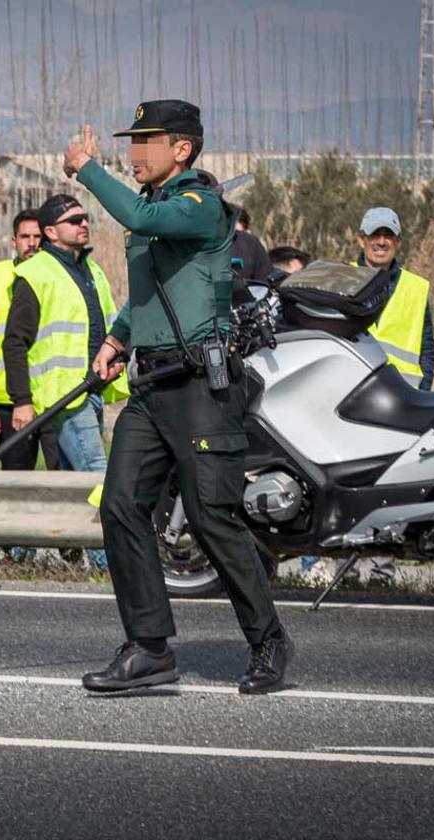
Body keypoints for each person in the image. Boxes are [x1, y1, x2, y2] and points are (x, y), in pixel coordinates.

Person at [64, 100, 291, 694]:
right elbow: (147, 295)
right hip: (150, 385)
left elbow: (138, 215)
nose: (135, 152)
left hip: (199, 387)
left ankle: (267, 639)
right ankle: (148, 648)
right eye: (132, 141)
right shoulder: (156, 212)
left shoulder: (199, 206)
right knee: (120, 507)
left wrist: (88, 171)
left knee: (213, 519)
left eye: (147, 140)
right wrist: (117, 337)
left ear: (182, 149)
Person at [2, 194, 129, 570]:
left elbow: (104, 325)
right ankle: (108, 562)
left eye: (85, 217)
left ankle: (24, 551)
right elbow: (14, 342)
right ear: (51, 231)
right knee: (96, 473)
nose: (83, 223)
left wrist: (116, 358)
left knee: (66, 479)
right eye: (74, 220)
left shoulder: (93, 271)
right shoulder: (35, 272)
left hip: (91, 391)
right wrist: (22, 400)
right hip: (62, 395)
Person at [0, 209, 60, 470]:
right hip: (8, 401)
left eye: (37, 237)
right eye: (24, 237)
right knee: (16, 481)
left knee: (64, 478)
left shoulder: (59, 277)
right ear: (13, 241)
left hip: (54, 398)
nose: (31, 243)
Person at [354, 207, 434, 391]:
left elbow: (427, 348)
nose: (381, 242)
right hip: (352, 389)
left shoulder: (417, 288)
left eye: (388, 235)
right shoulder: (344, 279)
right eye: (374, 234)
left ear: (398, 242)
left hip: (403, 393)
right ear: (361, 240)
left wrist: (423, 391)